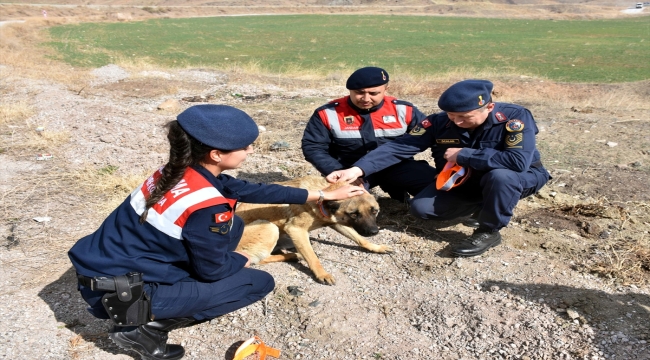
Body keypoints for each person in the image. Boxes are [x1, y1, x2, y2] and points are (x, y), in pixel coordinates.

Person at [68, 105, 366, 360]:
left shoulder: (175, 170)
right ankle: (140, 328)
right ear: (215, 154)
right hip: (122, 294)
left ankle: (151, 306)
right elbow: (213, 271)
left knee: (235, 225)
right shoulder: (208, 207)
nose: (250, 151)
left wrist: (320, 196)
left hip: (102, 267)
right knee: (256, 282)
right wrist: (244, 257)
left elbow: (248, 189)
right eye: (245, 146)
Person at [326, 80, 551, 257]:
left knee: (501, 177)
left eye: (464, 117)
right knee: (422, 209)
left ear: (489, 107)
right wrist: (358, 170)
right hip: (464, 180)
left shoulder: (513, 118)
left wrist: (464, 154)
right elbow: (399, 147)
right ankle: (487, 202)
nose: (456, 122)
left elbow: (517, 161)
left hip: (520, 177)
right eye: (452, 116)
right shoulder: (440, 122)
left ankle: (489, 230)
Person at [301, 66, 436, 203]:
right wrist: (337, 171)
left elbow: (431, 135)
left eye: (373, 93)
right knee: (337, 202)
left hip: (397, 166)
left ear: (385, 90)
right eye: (359, 93)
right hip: (349, 170)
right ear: (350, 91)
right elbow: (313, 147)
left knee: (438, 189)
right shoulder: (328, 113)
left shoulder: (404, 110)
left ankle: (401, 193)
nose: (366, 98)